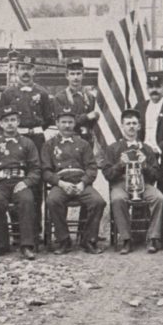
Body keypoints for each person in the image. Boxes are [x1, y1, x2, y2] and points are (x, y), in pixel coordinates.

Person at [100, 109, 163, 254]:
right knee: (118, 199)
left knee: (159, 198)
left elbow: (157, 175)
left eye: (134, 123)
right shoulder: (113, 148)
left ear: (139, 127)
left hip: (143, 185)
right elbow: (107, 174)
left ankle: (153, 238)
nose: (131, 126)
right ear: (122, 126)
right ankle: (126, 239)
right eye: (128, 123)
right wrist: (120, 165)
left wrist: (145, 166)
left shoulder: (147, 149)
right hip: (121, 184)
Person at [41, 107, 106, 254]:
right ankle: (64, 241)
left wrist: (83, 183)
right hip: (61, 184)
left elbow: (91, 168)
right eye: (63, 122)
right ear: (57, 124)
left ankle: (88, 240)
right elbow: (45, 171)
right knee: (52, 201)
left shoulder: (83, 144)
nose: (67, 126)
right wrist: (60, 183)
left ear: (75, 124)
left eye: (70, 122)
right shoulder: (49, 145)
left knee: (98, 202)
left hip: (81, 184)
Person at [0, 107, 42, 259]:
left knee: (26, 200)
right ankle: (2, 245)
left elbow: (36, 168)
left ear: (18, 122)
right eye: (6, 121)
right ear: (1, 124)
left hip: (20, 182)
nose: (10, 124)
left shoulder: (27, 143)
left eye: (13, 120)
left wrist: (27, 182)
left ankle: (26, 245)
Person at [0, 55, 55, 155]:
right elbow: (1, 118)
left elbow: (48, 117)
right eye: (22, 69)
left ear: (34, 71)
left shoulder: (42, 92)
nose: (26, 72)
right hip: (16, 136)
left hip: (37, 138)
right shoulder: (8, 93)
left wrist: (37, 129)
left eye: (29, 69)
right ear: (17, 71)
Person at [53, 58, 100, 142]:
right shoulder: (60, 97)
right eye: (72, 74)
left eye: (78, 74)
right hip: (68, 139)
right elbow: (62, 122)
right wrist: (86, 117)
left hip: (87, 139)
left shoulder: (90, 97)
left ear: (83, 75)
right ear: (67, 76)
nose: (75, 77)